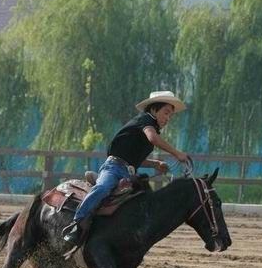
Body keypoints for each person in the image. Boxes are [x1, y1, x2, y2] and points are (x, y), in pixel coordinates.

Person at [62, 90, 190, 251]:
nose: (168, 118)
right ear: (153, 110)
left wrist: (155, 164)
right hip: (113, 168)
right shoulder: (145, 121)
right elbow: (153, 138)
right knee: (102, 188)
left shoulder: (146, 129)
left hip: (127, 172)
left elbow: (135, 159)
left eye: (170, 115)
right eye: (166, 113)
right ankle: (77, 223)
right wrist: (177, 153)